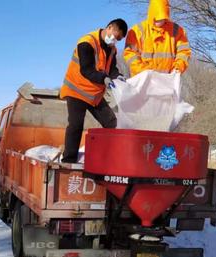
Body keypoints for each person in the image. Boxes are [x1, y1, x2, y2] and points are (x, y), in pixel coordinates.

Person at [60, 18, 128, 163]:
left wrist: (118, 76)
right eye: (116, 37)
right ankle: (68, 161)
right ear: (109, 27)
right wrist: (103, 78)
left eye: (119, 40)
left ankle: (108, 159)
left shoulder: (112, 49)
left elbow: (112, 69)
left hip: (94, 95)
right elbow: (86, 70)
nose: (115, 41)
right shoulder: (86, 42)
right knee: (76, 125)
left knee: (112, 124)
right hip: (77, 90)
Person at [123, 0, 191, 77]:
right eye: (157, 18)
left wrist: (177, 68)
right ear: (151, 14)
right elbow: (130, 54)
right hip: (143, 81)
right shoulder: (137, 31)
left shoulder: (178, 31)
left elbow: (184, 52)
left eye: (162, 18)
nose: (160, 21)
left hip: (167, 81)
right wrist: (142, 71)